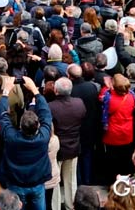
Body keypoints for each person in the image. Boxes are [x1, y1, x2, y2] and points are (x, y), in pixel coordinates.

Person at [0, 76, 52, 210]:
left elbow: (3, 116)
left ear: (20, 126)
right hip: (36, 182)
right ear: (38, 125)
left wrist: (6, 93)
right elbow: (46, 114)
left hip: (16, 182)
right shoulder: (44, 136)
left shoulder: (11, 138)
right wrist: (35, 90)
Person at [48, 77, 86, 208]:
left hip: (57, 150)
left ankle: (56, 206)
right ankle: (71, 206)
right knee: (71, 180)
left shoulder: (51, 107)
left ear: (56, 91)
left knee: (55, 181)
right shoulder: (79, 103)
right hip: (73, 147)